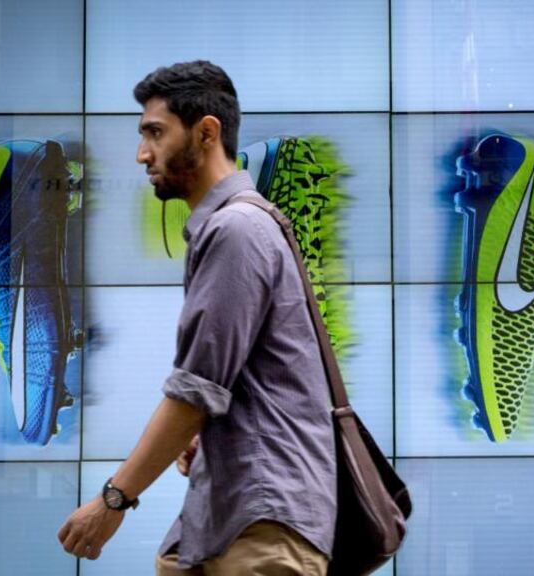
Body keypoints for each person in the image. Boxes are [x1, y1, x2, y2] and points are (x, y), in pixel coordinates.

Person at [56, 60, 337, 575]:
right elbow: (229, 385)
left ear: (207, 132)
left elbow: (194, 390)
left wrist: (113, 500)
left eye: (155, 133)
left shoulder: (237, 230)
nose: (143, 154)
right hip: (229, 519)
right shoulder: (233, 228)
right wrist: (207, 433)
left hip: (261, 524)